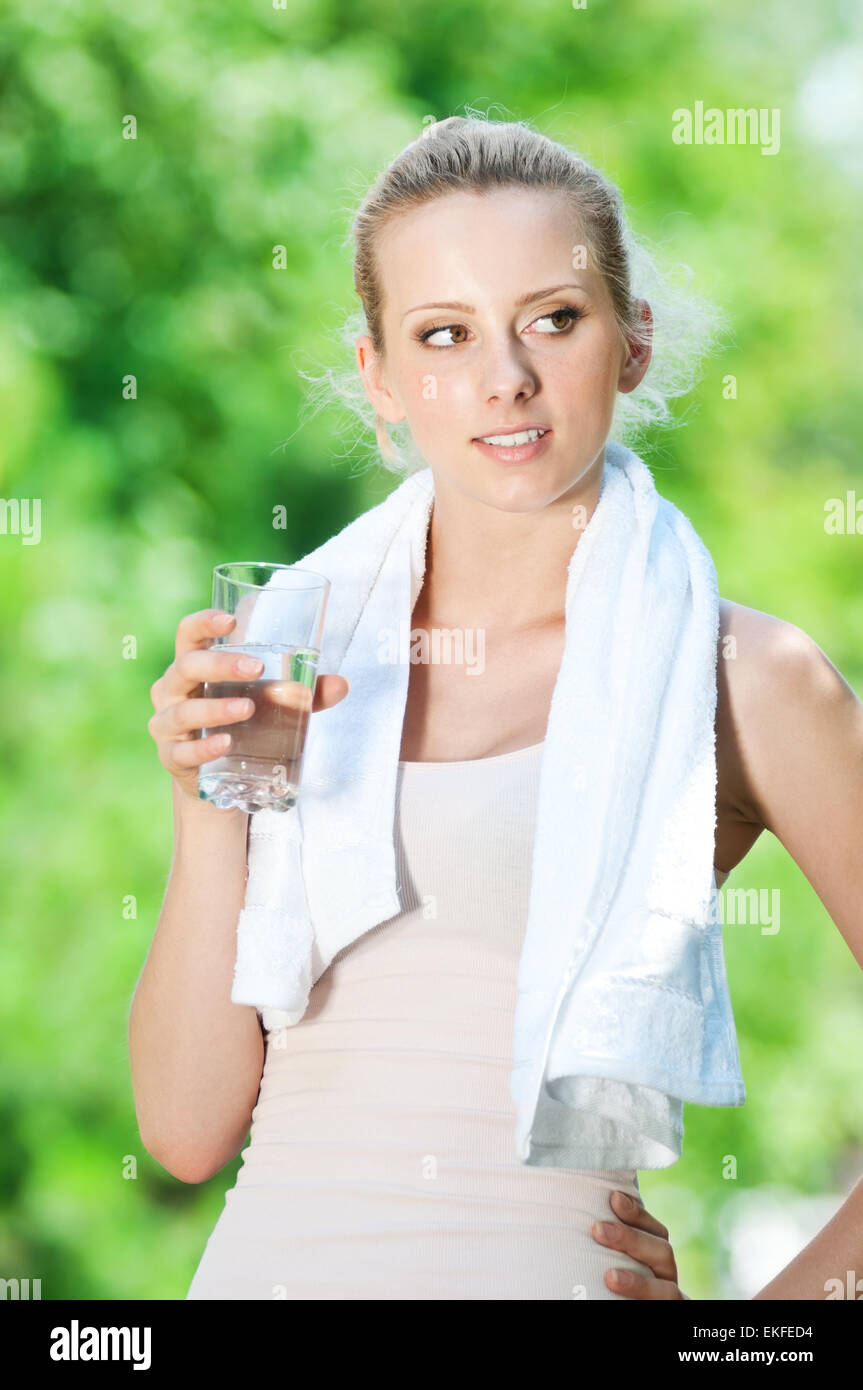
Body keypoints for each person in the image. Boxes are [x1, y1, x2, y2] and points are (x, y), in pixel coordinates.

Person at [132, 115, 863, 1300]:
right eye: (444, 333)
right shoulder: (286, 652)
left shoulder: (743, 675)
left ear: (631, 340)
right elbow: (182, 1128)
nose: (504, 377)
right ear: (379, 377)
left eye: (552, 319)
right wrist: (204, 799)